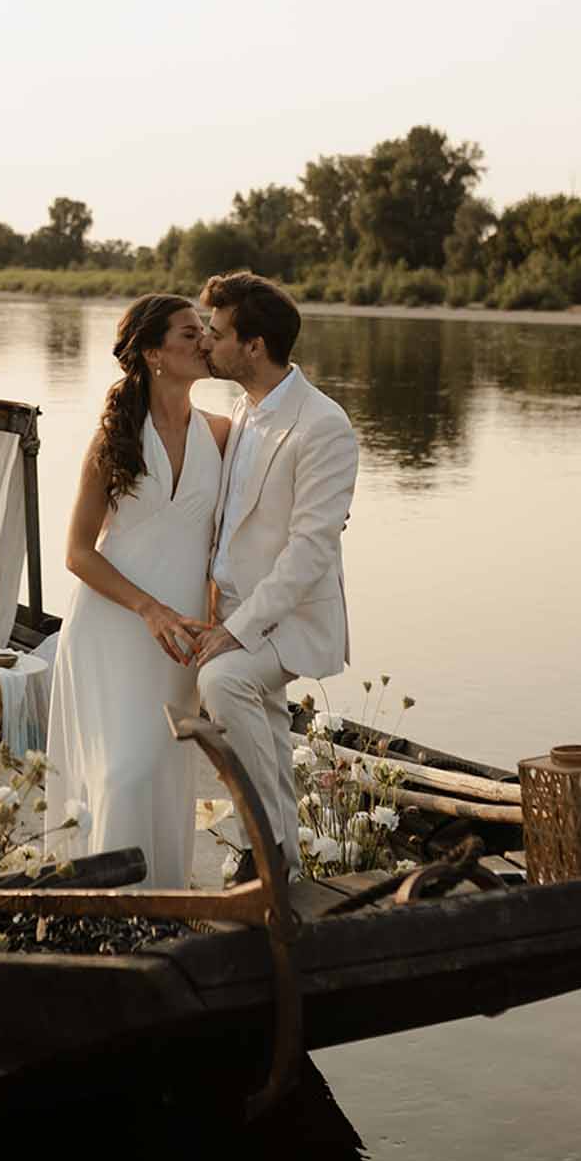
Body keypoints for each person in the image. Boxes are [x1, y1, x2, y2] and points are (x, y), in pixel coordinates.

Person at [45, 295, 230, 887]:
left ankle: (162, 909)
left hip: (180, 641)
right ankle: (104, 913)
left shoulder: (223, 435)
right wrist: (149, 609)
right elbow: (76, 552)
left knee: (159, 772)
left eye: (205, 331)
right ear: (153, 353)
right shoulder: (113, 442)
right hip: (114, 628)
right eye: (188, 333)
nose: (204, 341)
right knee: (120, 773)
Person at [187, 270, 359, 876]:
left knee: (223, 682)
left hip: (289, 618)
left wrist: (237, 630)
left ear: (254, 346)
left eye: (217, 332)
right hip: (233, 610)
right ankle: (281, 853)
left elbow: (311, 550)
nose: (205, 342)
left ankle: (266, 845)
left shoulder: (323, 425)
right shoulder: (243, 408)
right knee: (267, 723)